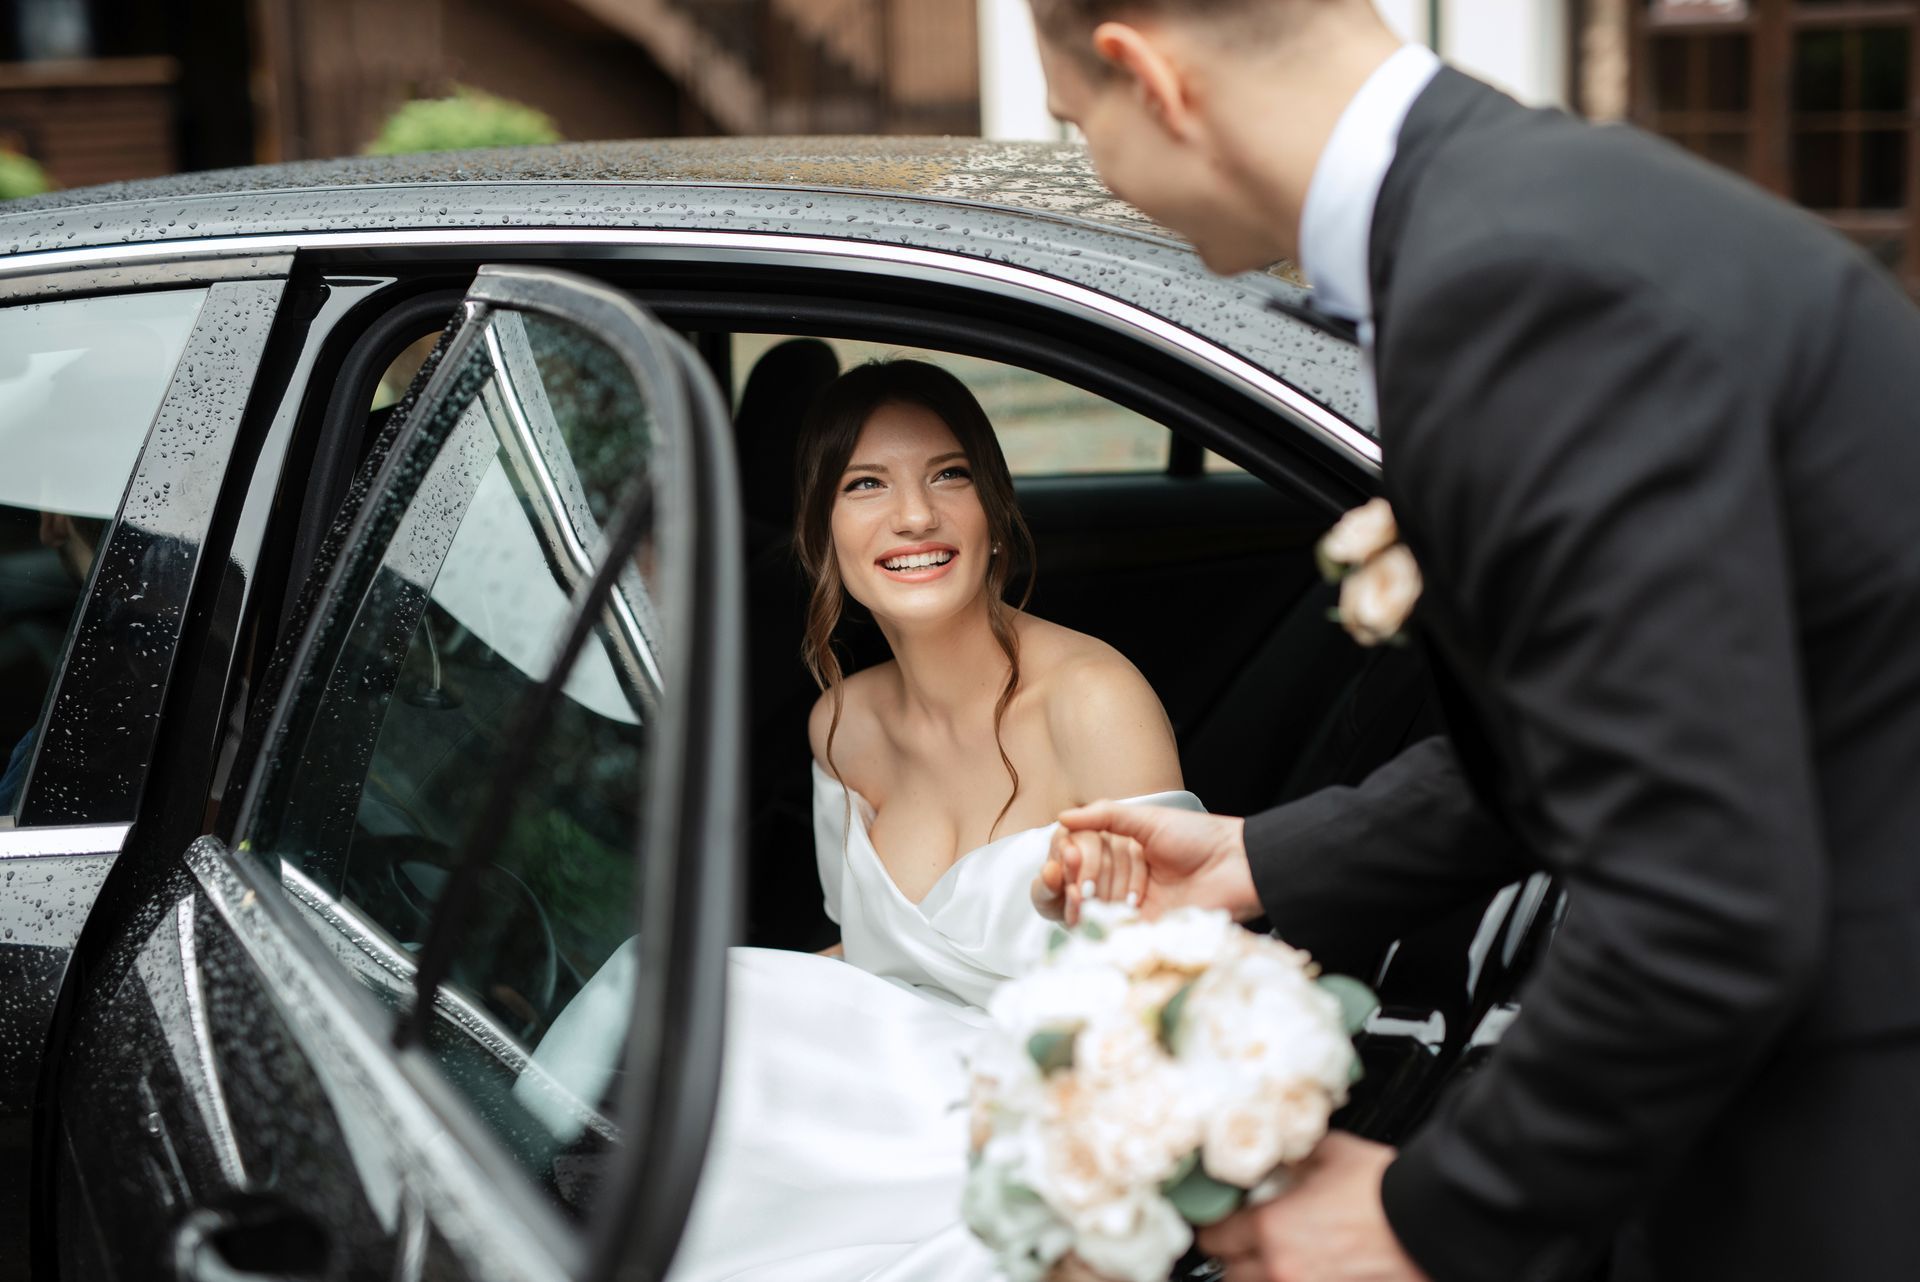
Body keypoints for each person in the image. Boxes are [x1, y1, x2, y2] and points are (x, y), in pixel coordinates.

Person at [1024, 2, 1920, 1281]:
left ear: (1147, 76)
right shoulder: (1527, 208)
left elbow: (1701, 900)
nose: (1092, 166)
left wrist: (1417, 1213)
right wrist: (1258, 858)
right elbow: (1621, 724)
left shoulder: (1513, 282)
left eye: (1075, 123)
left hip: (1851, 1120)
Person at [664, 359, 1196, 1282]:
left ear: (993, 514)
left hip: (1048, 1147)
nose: (913, 516)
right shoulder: (840, 724)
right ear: (822, 534)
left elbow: (1182, 1004)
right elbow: (871, 965)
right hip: (878, 1123)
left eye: (947, 476)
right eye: (865, 485)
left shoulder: (1093, 700)